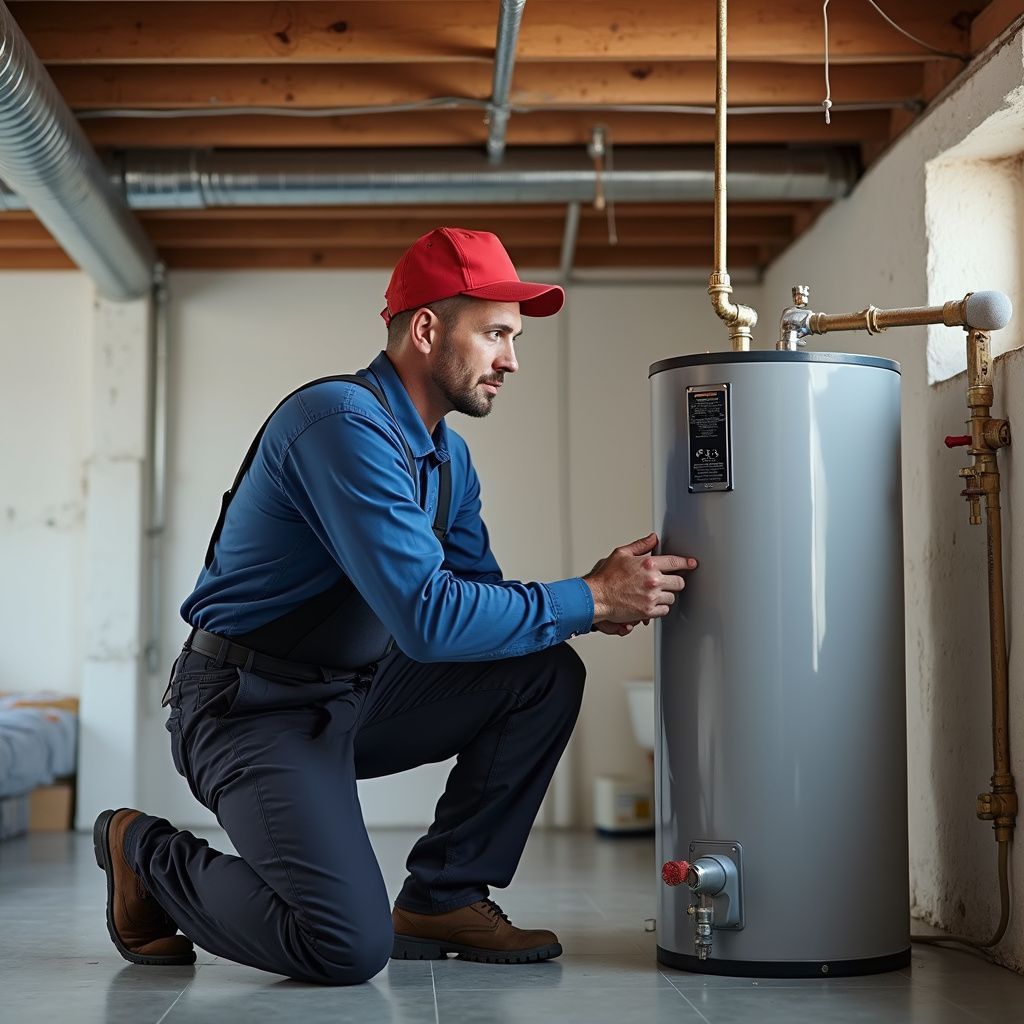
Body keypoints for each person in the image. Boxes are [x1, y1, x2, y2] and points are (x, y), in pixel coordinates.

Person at [93, 227, 697, 985]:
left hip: (352, 693)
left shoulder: (449, 458)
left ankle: (443, 897)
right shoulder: (341, 425)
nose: (512, 358)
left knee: (540, 672)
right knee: (343, 945)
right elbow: (429, 618)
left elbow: (477, 610)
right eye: (497, 334)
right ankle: (145, 855)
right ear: (426, 329)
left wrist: (591, 601)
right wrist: (587, 596)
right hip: (249, 707)